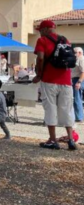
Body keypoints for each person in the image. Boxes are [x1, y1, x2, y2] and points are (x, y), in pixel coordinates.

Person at [32, 20, 77, 150]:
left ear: (46, 29)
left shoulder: (42, 41)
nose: (40, 33)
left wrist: (39, 75)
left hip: (49, 80)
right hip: (66, 81)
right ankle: (71, 139)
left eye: (40, 30)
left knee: (50, 108)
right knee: (67, 109)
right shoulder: (65, 40)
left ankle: (52, 140)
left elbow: (40, 58)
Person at [72, 47, 84, 122]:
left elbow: (83, 72)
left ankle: (79, 117)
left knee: (77, 98)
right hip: (75, 79)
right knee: (77, 98)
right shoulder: (78, 59)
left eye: (74, 52)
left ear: (79, 53)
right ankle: (78, 116)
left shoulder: (81, 59)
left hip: (78, 79)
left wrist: (79, 82)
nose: (73, 54)